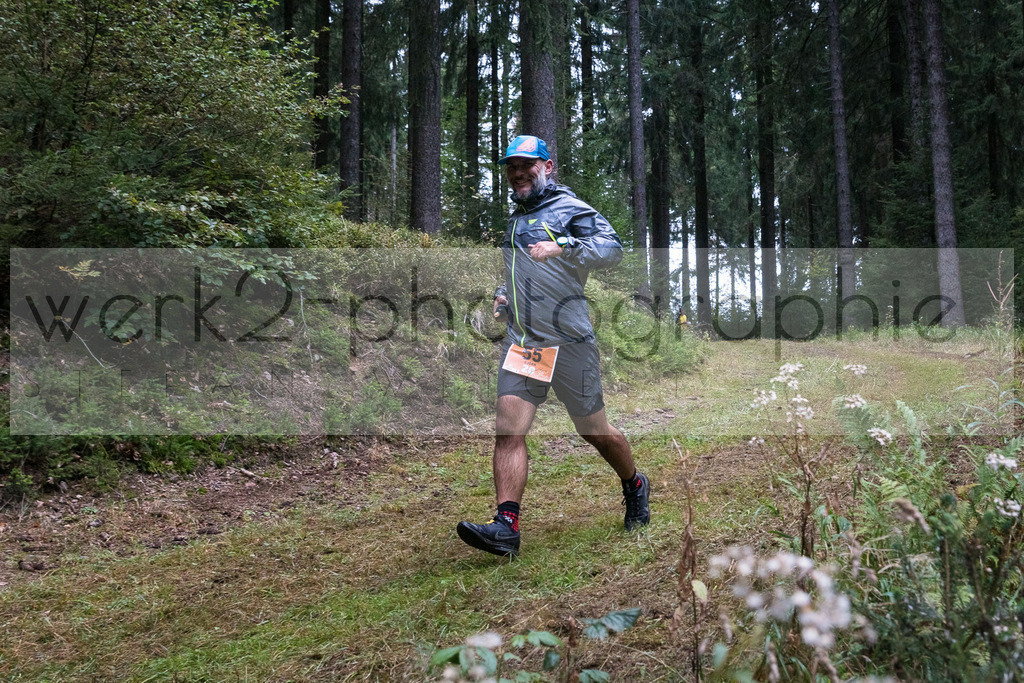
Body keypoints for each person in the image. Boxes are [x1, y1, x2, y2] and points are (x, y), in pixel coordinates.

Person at [456, 134, 650, 558]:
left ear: (548, 167)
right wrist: (503, 294)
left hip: (572, 342)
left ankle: (634, 483)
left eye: (528, 164)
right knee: (509, 430)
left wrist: (563, 246)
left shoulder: (570, 209)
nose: (519, 172)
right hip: (527, 343)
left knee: (594, 432)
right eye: (512, 166)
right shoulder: (515, 219)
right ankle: (506, 526)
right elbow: (518, 269)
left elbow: (612, 249)